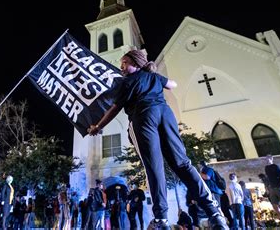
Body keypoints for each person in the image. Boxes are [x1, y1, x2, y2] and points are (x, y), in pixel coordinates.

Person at [87, 49, 228, 230]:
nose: (121, 67)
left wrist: (98, 126)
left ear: (136, 64)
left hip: (144, 116)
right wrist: (154, 76)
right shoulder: (152, 76)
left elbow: (114, 109)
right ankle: (214, 214)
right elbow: (173, 84)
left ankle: (161, 219)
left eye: (124, 63)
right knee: (183, 163)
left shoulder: (126, 82)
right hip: (165, 114)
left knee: (154, 167)